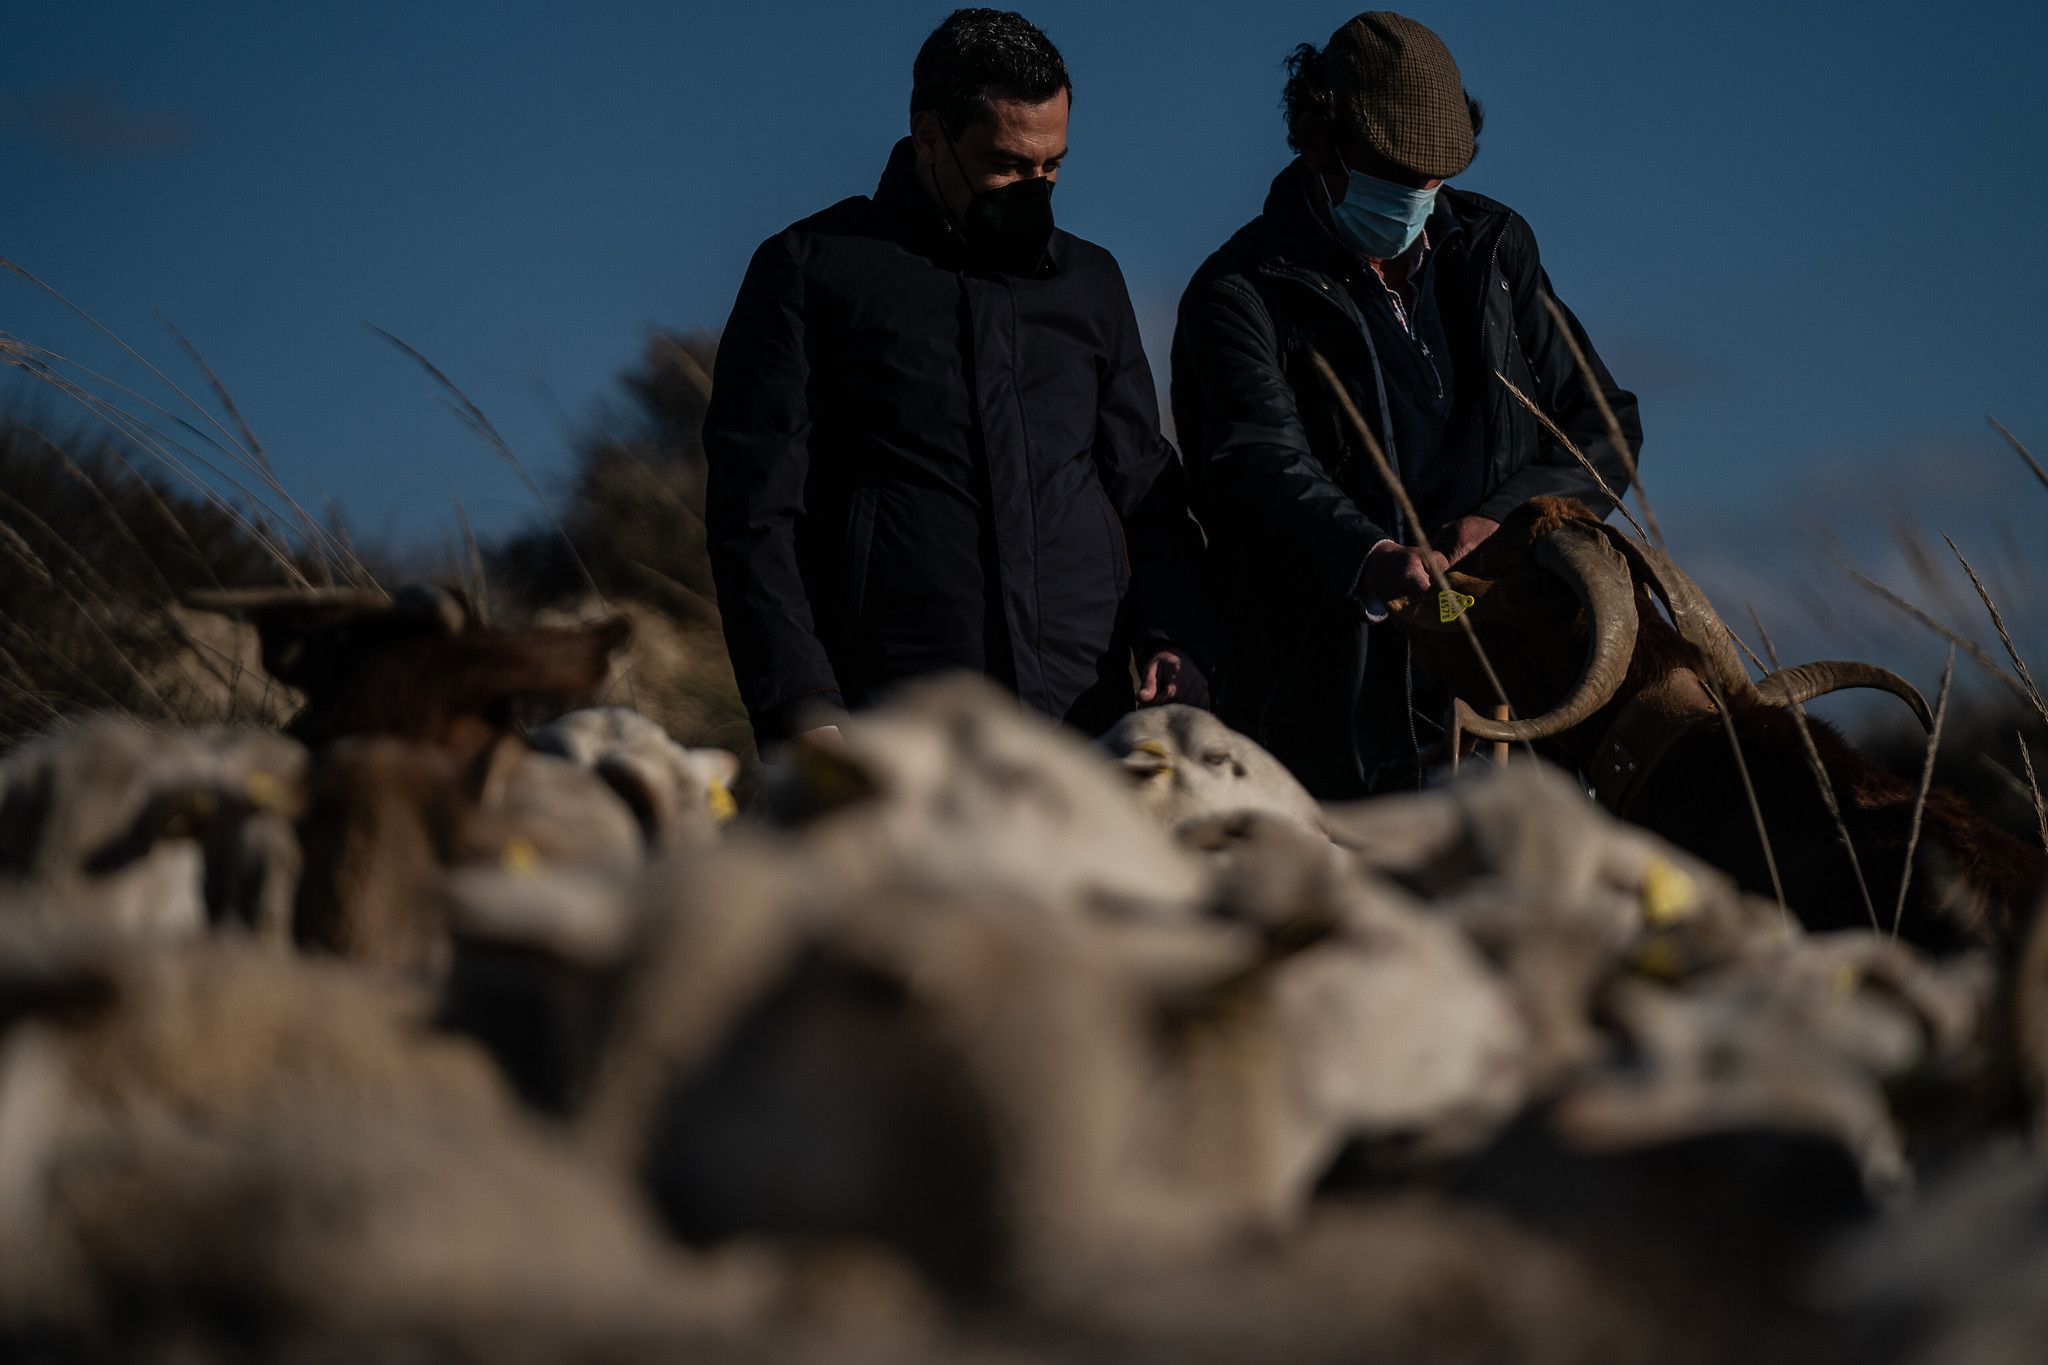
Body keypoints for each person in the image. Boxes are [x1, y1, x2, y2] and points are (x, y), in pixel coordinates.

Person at [704, 8, 1207, 753]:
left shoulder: (1090, 282)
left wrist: (1177, 640)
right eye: (1007, 165)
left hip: (1082, 727)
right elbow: (754, 514)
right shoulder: (811, 270)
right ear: (930, 136)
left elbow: (1147, 490)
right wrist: (801, 706)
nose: (1034, 188)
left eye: (1053, 166)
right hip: (896, 731)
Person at [1170, 10, 1642, 798]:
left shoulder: (1494, 250)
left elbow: (1603, 425)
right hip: (1332, 722)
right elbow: (1258, 462)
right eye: (1397, 172)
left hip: (1505, 707)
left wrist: (1509, 520)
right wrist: (1372, 556)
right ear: (1323, 145)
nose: (1422, 193)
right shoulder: (1240, 295)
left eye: (1439, 174)